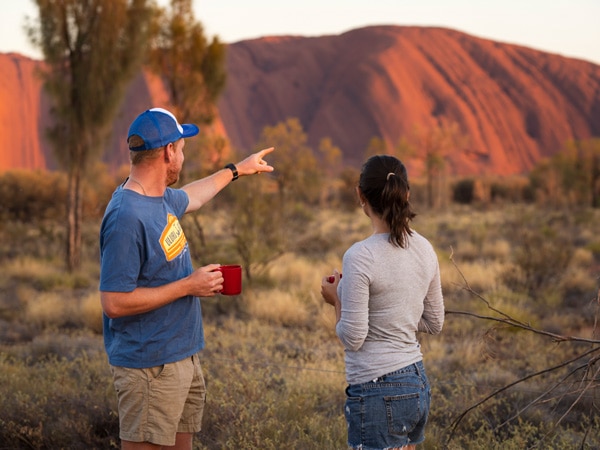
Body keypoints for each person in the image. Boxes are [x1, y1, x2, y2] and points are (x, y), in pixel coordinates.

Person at [99, 107, 274, 450]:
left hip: (182, 358)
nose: (183, 155)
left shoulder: (159, 196)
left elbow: (193, 195)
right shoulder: (127, 215)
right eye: (181, 148)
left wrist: (237, 169)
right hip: (150, 368)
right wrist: (188, 286)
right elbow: (114, 302)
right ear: (168, 152)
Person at [321, 154, 444, 450]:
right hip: (416, 384)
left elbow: (353, 338)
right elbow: (435, 322)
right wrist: (395, 313)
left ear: (360, 195)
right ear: (407, 193)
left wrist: (336, 299)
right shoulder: (425, 248)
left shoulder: (360, 256)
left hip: (377, 390)